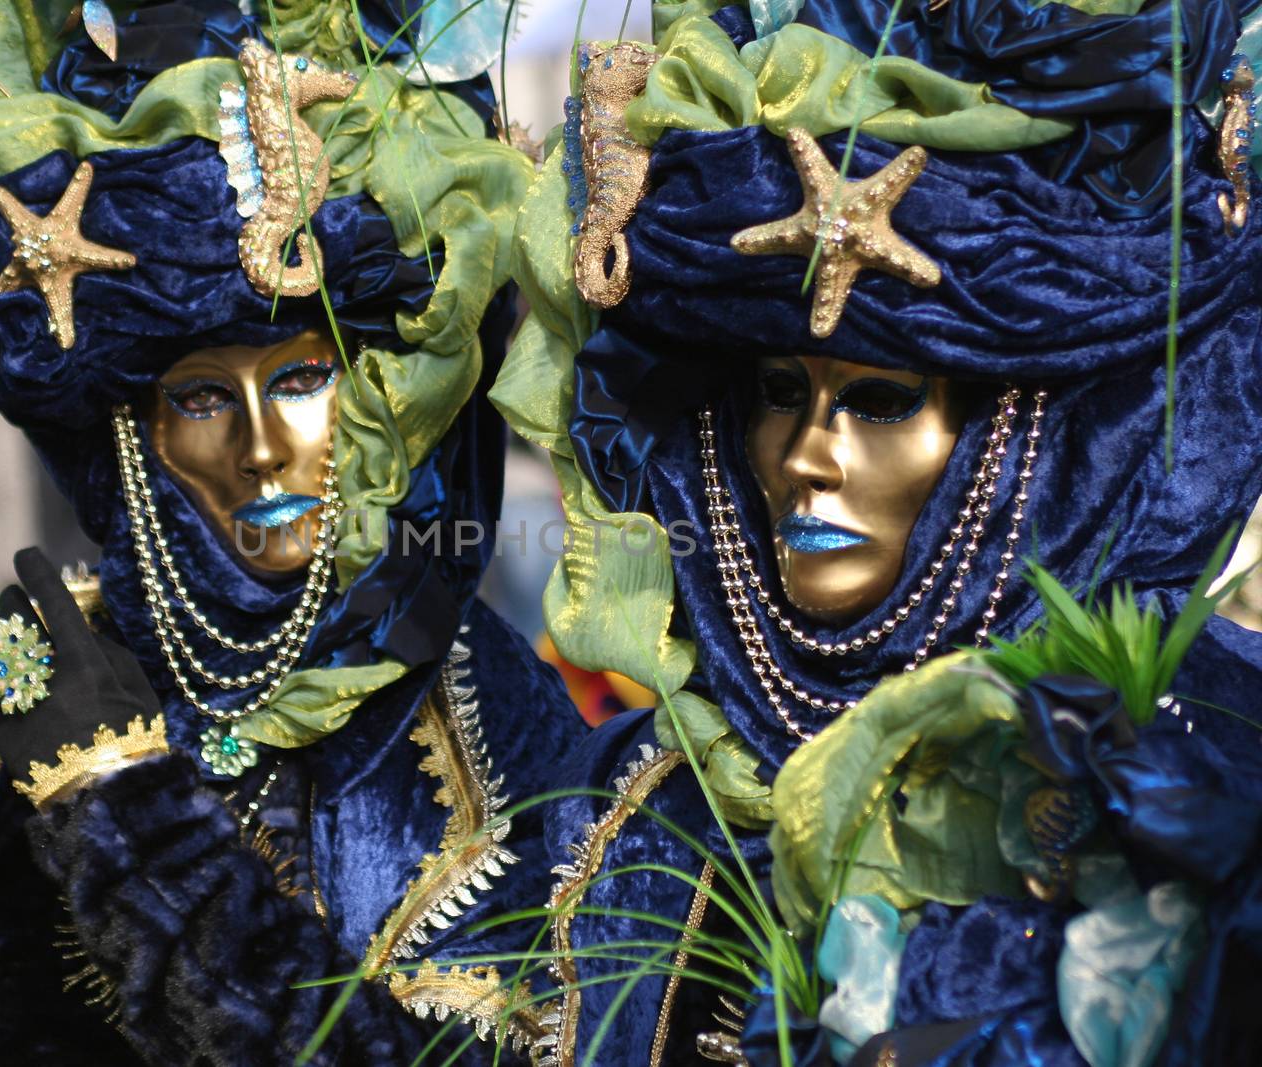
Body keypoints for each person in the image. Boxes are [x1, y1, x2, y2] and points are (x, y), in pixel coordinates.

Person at [0, 1, 583, 1064]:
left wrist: (121, 803)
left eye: (302, 379)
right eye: (203, 398)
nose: (261, 446)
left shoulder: (488, 713)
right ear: (137, 434)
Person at [491, 0, 1262, 1062]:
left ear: (1036, 441)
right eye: (775, 388)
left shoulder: (1191, 779)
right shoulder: (643, 791)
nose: (806, 455)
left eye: (884, 399)